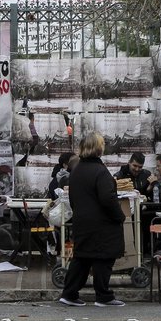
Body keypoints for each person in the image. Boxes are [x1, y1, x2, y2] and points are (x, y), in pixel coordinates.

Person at [57, 131, 126, 307]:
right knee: (104, 258)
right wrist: (119, 216)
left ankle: (69, 293)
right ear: (98, 148)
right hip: (102, 224)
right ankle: (103, 296)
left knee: (82, 258)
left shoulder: (77, 170)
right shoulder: (100, 171)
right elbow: (107, 198)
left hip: (82, 221)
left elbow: (73, 198)